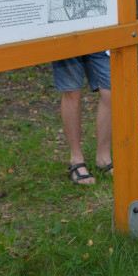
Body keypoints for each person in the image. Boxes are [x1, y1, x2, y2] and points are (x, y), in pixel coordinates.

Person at [51, 51, 112, 184]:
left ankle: (103, 159)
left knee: (111, 90)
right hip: (65, 39)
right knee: (72, 90)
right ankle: (76, 160)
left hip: (98, 37)